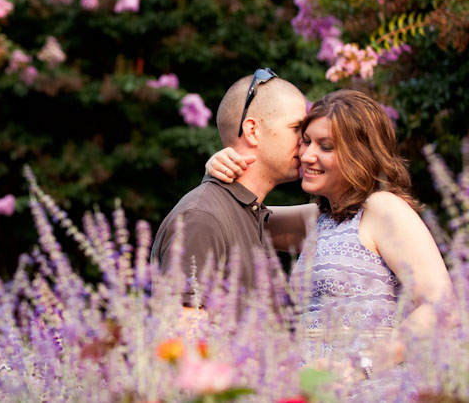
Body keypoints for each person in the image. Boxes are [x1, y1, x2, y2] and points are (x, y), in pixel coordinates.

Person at [207, 89, 453, 381]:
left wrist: (359, 366)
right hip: (315, 390)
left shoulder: (383, 208)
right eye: (307, 141)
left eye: (326, 147)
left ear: (360, 154)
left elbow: (442, 306)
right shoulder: (320, 220)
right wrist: (216, 173)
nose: (307, 155)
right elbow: (235, 217)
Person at [150, 68, 307, 310]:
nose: (304, 141)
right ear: (252, 131)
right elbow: (183, 339)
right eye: (296, 128)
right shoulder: (201, 218)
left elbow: (345, 215)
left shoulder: (251, 214)